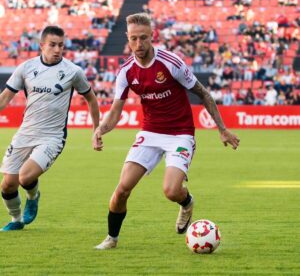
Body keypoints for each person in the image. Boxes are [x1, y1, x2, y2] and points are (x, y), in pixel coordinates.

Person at [93, 13, 240, 250]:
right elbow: (115, 112)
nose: (138, 45)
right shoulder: (126, 71)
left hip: (180, 133)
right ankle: (112, 238)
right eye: (133, 39)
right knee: (122, 189)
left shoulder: (171, 63)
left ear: (153, 36)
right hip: (150, 132)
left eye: (143, 38)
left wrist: (222, 129)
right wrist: (99, 130)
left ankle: (187, 202)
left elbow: (203, 93)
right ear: (127, 39)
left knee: (171, 191)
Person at [0, 25, 102, 231]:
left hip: (52, 136)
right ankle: (16, 220)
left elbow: (91, 99)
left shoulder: (73, 71)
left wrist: (96, 130)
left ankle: (33, 196)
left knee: (26, 177)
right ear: (41, 46)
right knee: (7, 185)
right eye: (52, 45)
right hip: (26, 132)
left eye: (61, 45)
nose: (57, 50)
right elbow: (4, 99)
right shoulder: (26, 68)